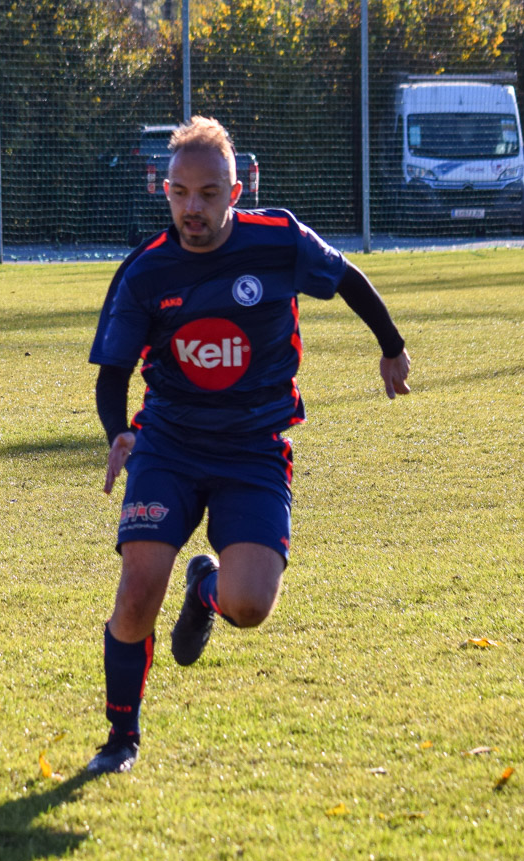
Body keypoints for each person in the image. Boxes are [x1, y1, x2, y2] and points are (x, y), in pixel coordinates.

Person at [84, 116, 412, 774]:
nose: (193, 208)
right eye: (181, 193)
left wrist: (391, 346)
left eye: (209, 194)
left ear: (236, 193)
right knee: (137, 591)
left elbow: (347, 277)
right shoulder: (146, 272)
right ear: (165, 191)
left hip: (254, 448)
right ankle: (121, 738)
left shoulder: (278, 240)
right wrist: (117, 431)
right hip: (169, 444)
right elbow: (113, 371)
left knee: (249, 606)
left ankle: (205, 590)